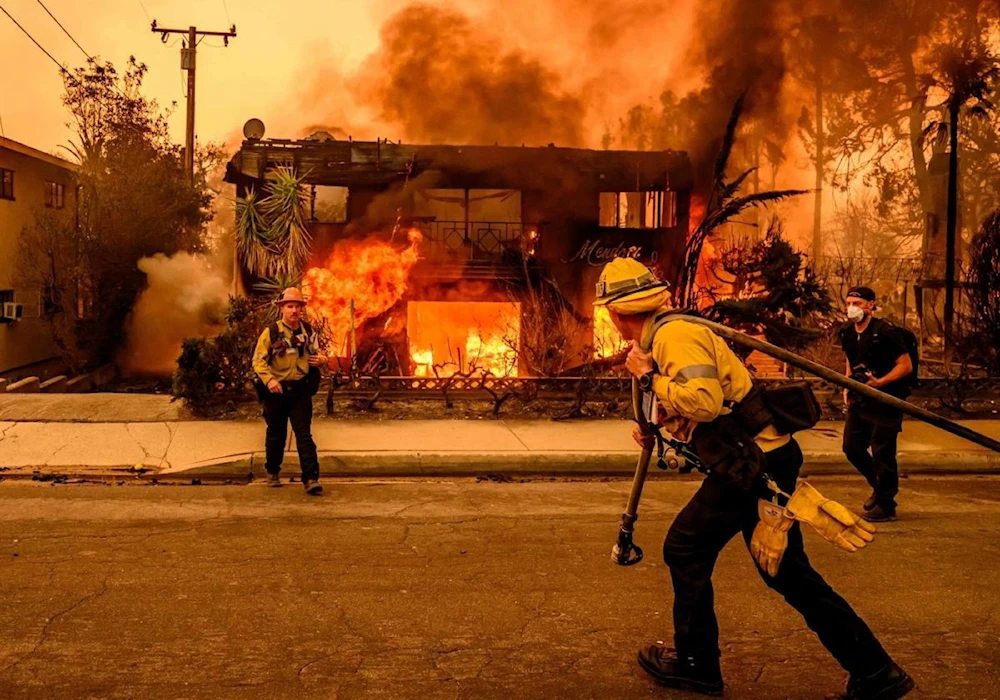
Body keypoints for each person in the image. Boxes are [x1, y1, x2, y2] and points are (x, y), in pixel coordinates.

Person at [595, 258, 913, 700]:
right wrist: (663, 419)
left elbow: (703, 402)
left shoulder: (674, 336)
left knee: (685, 547)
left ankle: (696, 664)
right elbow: (708, 404)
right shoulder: (668, 334)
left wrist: (648, 377)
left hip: (753, 464)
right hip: (761, 458)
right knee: (785, 572)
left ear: (616, 312)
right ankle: (876, 671)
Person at [838, 287, 914, 522]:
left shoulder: (886, 332)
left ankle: (886, 504)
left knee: (883, 451)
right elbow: (851, 361)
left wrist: (879, 383)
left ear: (871, 305)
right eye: (849, 302)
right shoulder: (847, 332)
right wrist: (846, 385)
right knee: (852, 448)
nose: (852, 308)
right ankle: (881, 491)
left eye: (858, 303)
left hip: (886, 399)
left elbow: (905, 366)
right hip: (860, 399)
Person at [251, 287, 328, 495]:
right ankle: (273, 472)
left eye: (298, 306)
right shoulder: (271, 332)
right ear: (282, 308)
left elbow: (318, 353)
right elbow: (258, 361)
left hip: (300, 390)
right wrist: (269, 381)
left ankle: (311, 478)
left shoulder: (308, 332)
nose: (294, 310)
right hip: (276, 391)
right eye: (290, 306)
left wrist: (322, 359)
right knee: (276, 433)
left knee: (304, 435)